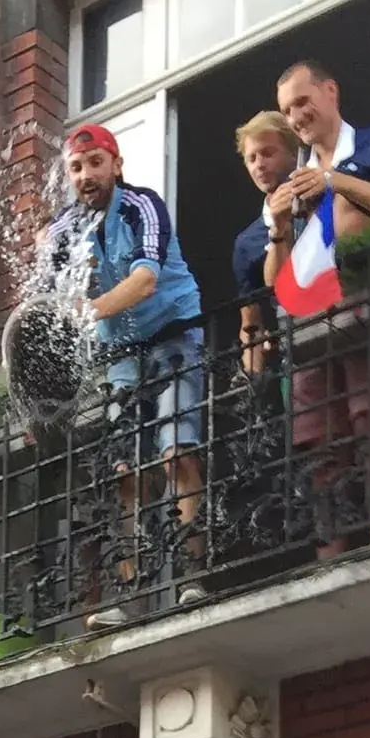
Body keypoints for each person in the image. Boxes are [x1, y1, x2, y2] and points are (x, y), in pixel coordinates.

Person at [37, 120, 206, 616]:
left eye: (95, 163)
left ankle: (192, 575)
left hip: (173, 332)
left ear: (116, 165)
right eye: (76, 167)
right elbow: (44, 303)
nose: (86, 175)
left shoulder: (142, 205)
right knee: (123, 471)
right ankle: (130, 597)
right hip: (121, 354)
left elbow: (145, 280)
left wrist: (85, 311)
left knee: (177, 452)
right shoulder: (65, 228)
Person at [265, 59, 370, 550]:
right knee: (320, 440)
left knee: (369, 418)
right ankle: (331, 556)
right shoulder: (294, 178)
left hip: (364, 299)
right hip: (311, 316)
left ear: (330, 91)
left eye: (302, 101)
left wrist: (337, 182)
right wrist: (278, 229)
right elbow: (276, 285)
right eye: (287, 110)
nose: (296, 117)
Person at [231, 110, 299, 376]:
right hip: (291, 352)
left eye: (268, 153)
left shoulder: (321, 200)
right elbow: (251, 323)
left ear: (293, 153)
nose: (259, 164)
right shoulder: (246, 242)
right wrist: (252, 382)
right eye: (251, 158)